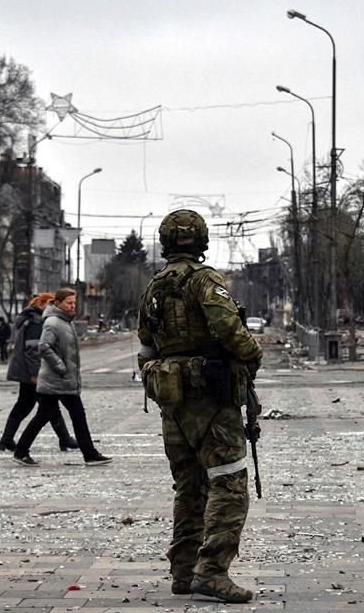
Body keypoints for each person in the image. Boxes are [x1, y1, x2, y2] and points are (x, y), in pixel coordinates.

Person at [137, 210, 262, 603]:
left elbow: (144, 345)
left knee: (189, 485)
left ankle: (183, 569)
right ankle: (211, 571)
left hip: (172, 399)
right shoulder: (205, 280)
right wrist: (252, 354)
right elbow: (229, 329)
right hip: (210, 396)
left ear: (166, 243)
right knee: (229, 482)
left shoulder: (154, 287)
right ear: (202, 241)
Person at [12, 288, 111, 467]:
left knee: (74, 416)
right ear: (58, 303)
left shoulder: (66, 321)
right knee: (46, 416)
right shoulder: (53, 322)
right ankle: (21, 451)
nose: (73, 306)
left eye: (74, 303)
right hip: (56, 380)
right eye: (69, 303)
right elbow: (43, 346)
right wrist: (60, 366)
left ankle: (89, 454)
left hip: (65, 380)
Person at [0, 293, 77, 452]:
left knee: (26, 406)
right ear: (42, 304)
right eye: (50, 304)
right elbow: (32, 350)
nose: (53, 308)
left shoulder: (31, 318)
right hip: (33, 374)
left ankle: (6, 439)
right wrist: (35, 374)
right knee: (48, 405)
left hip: (28, 372)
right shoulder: (36, 321)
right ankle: (64, 438)